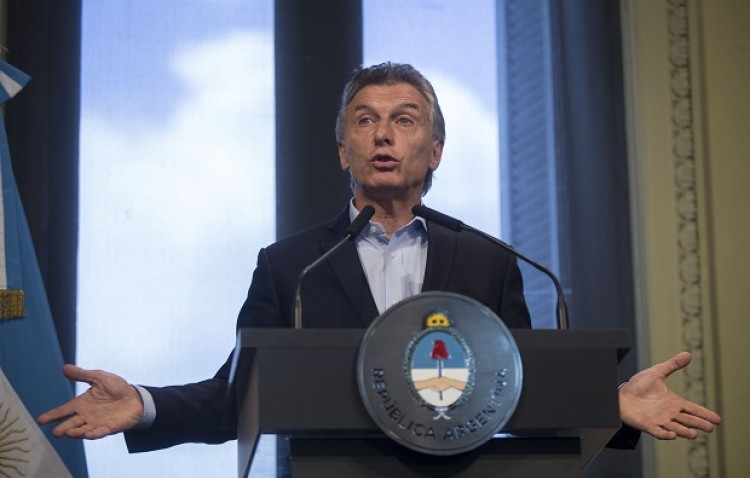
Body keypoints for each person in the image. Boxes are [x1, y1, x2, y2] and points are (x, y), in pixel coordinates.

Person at [38, 62, 721, 452]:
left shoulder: (487, 261)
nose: (383, 135)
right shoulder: (290, 266)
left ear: (435, 150)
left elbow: (517, 391)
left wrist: (609, 402)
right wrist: (145, 405)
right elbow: (237, 395)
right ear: (344, 151)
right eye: (364, 121)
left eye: (404, 119)